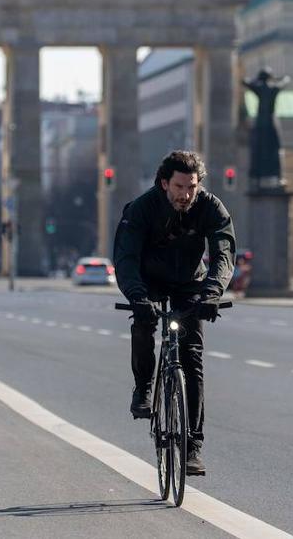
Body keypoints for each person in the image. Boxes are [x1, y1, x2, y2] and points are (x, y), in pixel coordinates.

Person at [113, 150, 236, 477]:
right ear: (165, 183)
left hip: (190, 282)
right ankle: (144, 387)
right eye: (180, 187)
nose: (186, 194)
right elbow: (125, 259)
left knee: (191, 355)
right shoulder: (141, 209)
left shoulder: (210, 208)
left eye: (192, 187)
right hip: (148, 281)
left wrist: (212, 293)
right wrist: (137, 296)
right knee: (143, 321)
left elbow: (223, 253)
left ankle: (193, 446)